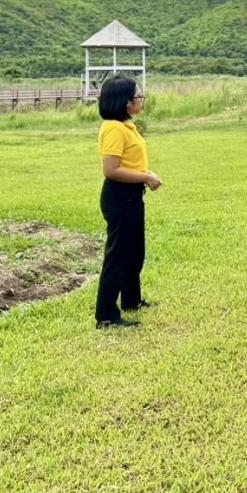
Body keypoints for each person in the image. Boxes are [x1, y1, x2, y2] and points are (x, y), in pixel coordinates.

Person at [94, 75, 162, 329]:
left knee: (134, 252)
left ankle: (131, 301)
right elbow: (111, 170)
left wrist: (143, 177)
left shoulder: (126, 126)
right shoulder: (113, 128)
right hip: (119, 197)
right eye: (138, 96)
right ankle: (106, 316)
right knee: (118, 256)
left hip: (132, 195)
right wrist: (146, 177)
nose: (142, 99)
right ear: (125, 102)